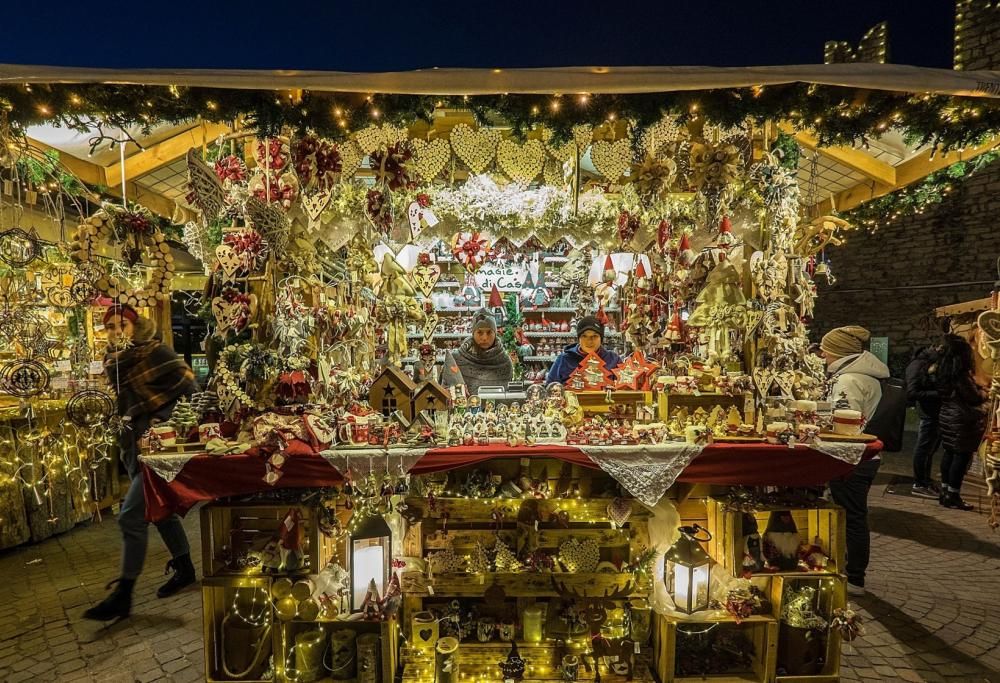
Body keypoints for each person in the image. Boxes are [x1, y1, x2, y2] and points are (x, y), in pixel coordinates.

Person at [83, 305, 198, 621]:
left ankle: (124, 593)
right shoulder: (113, 360)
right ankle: (185, 568)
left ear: (135, 326)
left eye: (122, 325)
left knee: (130, 518)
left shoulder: (155, 352)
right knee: (160, 512)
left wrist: (162, 422)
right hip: (131, 445)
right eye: (110, 327)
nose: (116, 331)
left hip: (155, 446)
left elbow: (190, 386)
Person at [820, 325, 889, 596]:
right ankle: (854, 571)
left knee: (852, 516)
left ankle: (855, 576)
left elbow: (844, 425)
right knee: (855, 515)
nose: (823, 355)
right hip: (864, 456)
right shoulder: (864, 376)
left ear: (837, 352)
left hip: (852, 458)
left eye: (826, 350)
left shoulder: (848, 380)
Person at [935, 334, 987, 511]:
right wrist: (984, 393)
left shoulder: (943, 370)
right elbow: (973, 398)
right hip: (961, 420)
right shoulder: (960, 375)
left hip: (947, 416)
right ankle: (953, 495)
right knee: (961, 456)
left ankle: (945, 492)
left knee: (949, 453)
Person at [440, 308, 513, 397]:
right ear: (473, 333)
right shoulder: (456, 360)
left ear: (495, 333)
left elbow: (507, 397)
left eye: (489, 332)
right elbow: (444, 393)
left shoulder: (504, 362)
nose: (484, 338)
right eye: (479, 332)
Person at [906, 343, 943, 498]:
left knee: (929, 449)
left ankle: (925, 480)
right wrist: (939, 394)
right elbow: (912, 392)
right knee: (923, 448)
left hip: (933, 412)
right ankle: (919, 483)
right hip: (928, 412)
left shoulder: (927, 363)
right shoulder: (917, 365)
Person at [546, 316, 622, 385]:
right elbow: (550, 388)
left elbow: (624, 388)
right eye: (584, 336)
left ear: (601, 339)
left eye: (594, 336)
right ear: (579, 339)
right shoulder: (563, 360)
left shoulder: (614, 359)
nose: (589, 341)